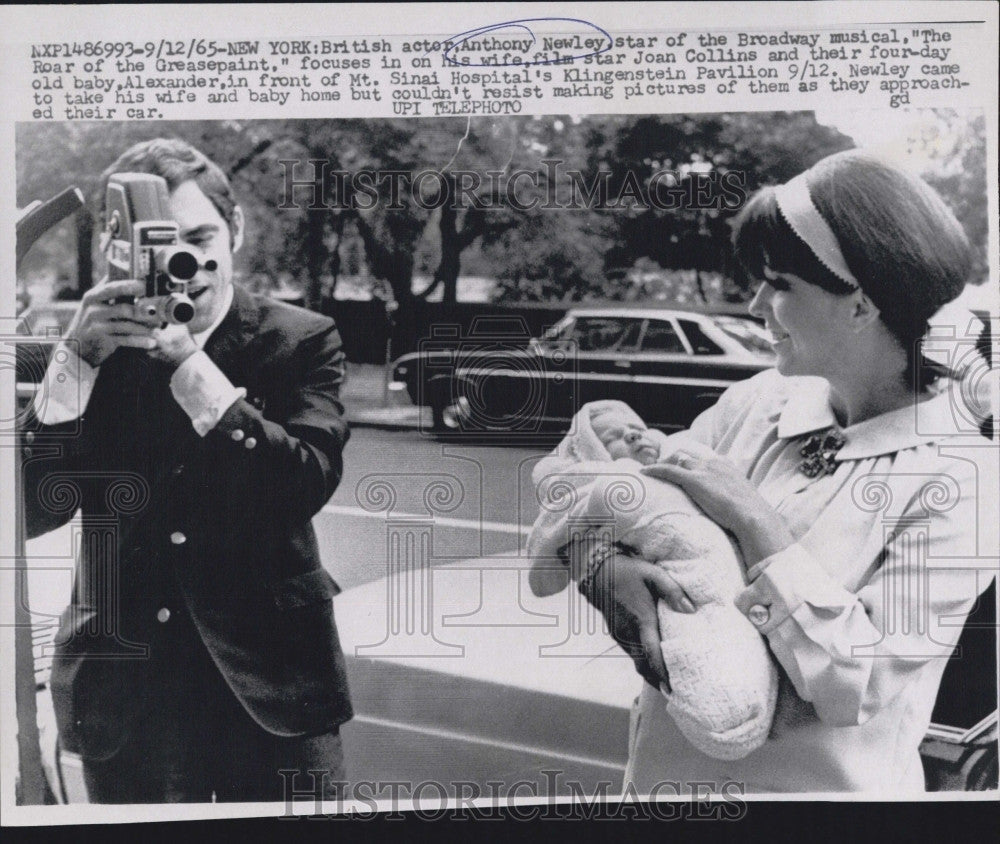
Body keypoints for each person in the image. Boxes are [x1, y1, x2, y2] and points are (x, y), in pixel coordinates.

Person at [566, 150, 996, 793]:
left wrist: (753, 518)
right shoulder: (755, 404)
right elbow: (621, 509)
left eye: (782, 285)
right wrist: (600, 568)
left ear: (862, 305)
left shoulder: (967, 480)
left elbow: (859, 684)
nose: (756, 304)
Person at [21, 138, 353, 803]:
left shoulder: (298, 339)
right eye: (161, 246)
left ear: (236, 230)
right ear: (121, 249)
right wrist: (74, 366)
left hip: (271, 696)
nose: (186, 265)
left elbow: (301, 483)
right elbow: (28, 512)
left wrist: (191, 368)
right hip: (127, 699)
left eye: (201, 237)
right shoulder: (95, 350)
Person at [527, 400, 779, 760]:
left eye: (638, 427)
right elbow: (566, 519)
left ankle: (726, 709)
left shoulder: (681, 454)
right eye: (613, 437)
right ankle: (718, 709)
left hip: (820, 755)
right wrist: (598, 561)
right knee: (691, 632)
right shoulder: (748, 403)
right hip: (678, 594)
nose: (634, 433)